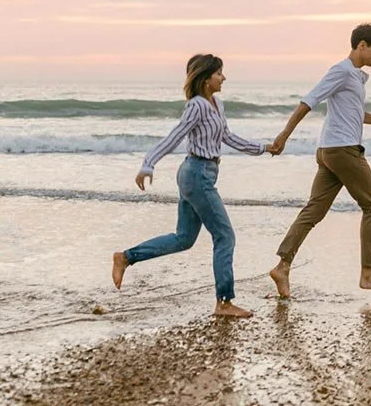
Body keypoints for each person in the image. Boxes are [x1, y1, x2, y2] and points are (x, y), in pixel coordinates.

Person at [112, 54, 280, 318]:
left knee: (184, 238)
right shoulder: (197, 106)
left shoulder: (217, 104)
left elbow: (228, 137)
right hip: (197, 172)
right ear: (205, 79)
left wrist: (264, 148)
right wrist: (148, 163)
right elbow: (177, 134)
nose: (223, 77)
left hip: (201, 173)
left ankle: (126, 257)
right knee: (225, 236)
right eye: (219, 74)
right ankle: (224, 302)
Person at [268, 23, 371, 299]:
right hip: (342, 150)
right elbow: (309, 100)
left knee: (313, 211)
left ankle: (283, 266)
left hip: (329, 151)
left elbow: (355, 112)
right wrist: (284, 135)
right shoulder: (341, 70)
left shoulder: (353, 75)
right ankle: (368, 273)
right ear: (361, 45)